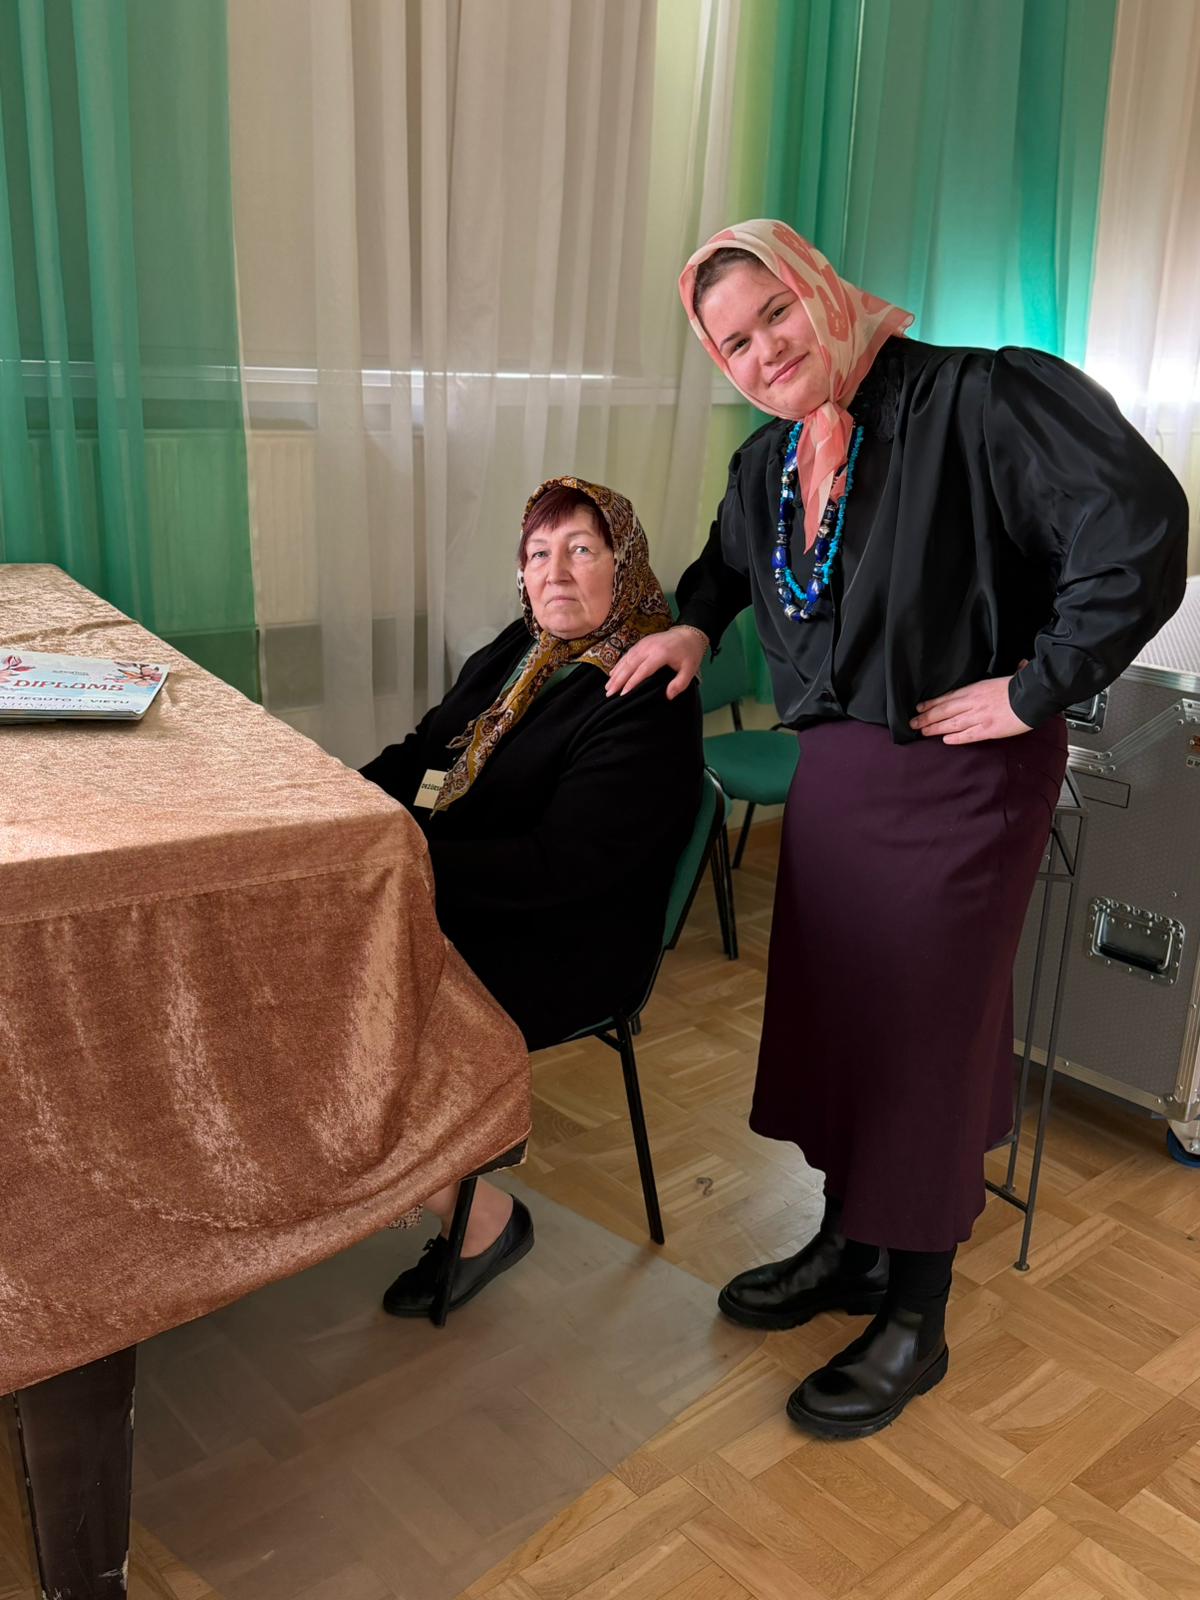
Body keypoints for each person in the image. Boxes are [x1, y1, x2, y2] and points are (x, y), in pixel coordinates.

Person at [607, 219, 1189, 1440]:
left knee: (925, 1031)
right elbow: (726, 564)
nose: (765, 350)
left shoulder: (980, 398)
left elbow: (1140, 521)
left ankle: (917, 1315)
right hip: (840, 775)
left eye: (776, 312)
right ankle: (850, 1248)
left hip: (964, 775)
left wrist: (1036, 685)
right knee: (843, 1013)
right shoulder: (770, 462)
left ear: (819, 289)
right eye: (735, 342)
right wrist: (696, 625)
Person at [361, 475, 702, 1317]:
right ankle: (369, 1172)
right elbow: (423, 752)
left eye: (582, 550)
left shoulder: (645, 691)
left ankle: (480, 1217)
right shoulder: (517, 649)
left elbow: (561, 865)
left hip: (565, 940)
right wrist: (340, 810)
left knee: (340, 989)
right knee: (313, 950)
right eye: (539, 553)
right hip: (469, 894)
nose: (556, 572)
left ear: (624, 564)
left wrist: (402, 868)